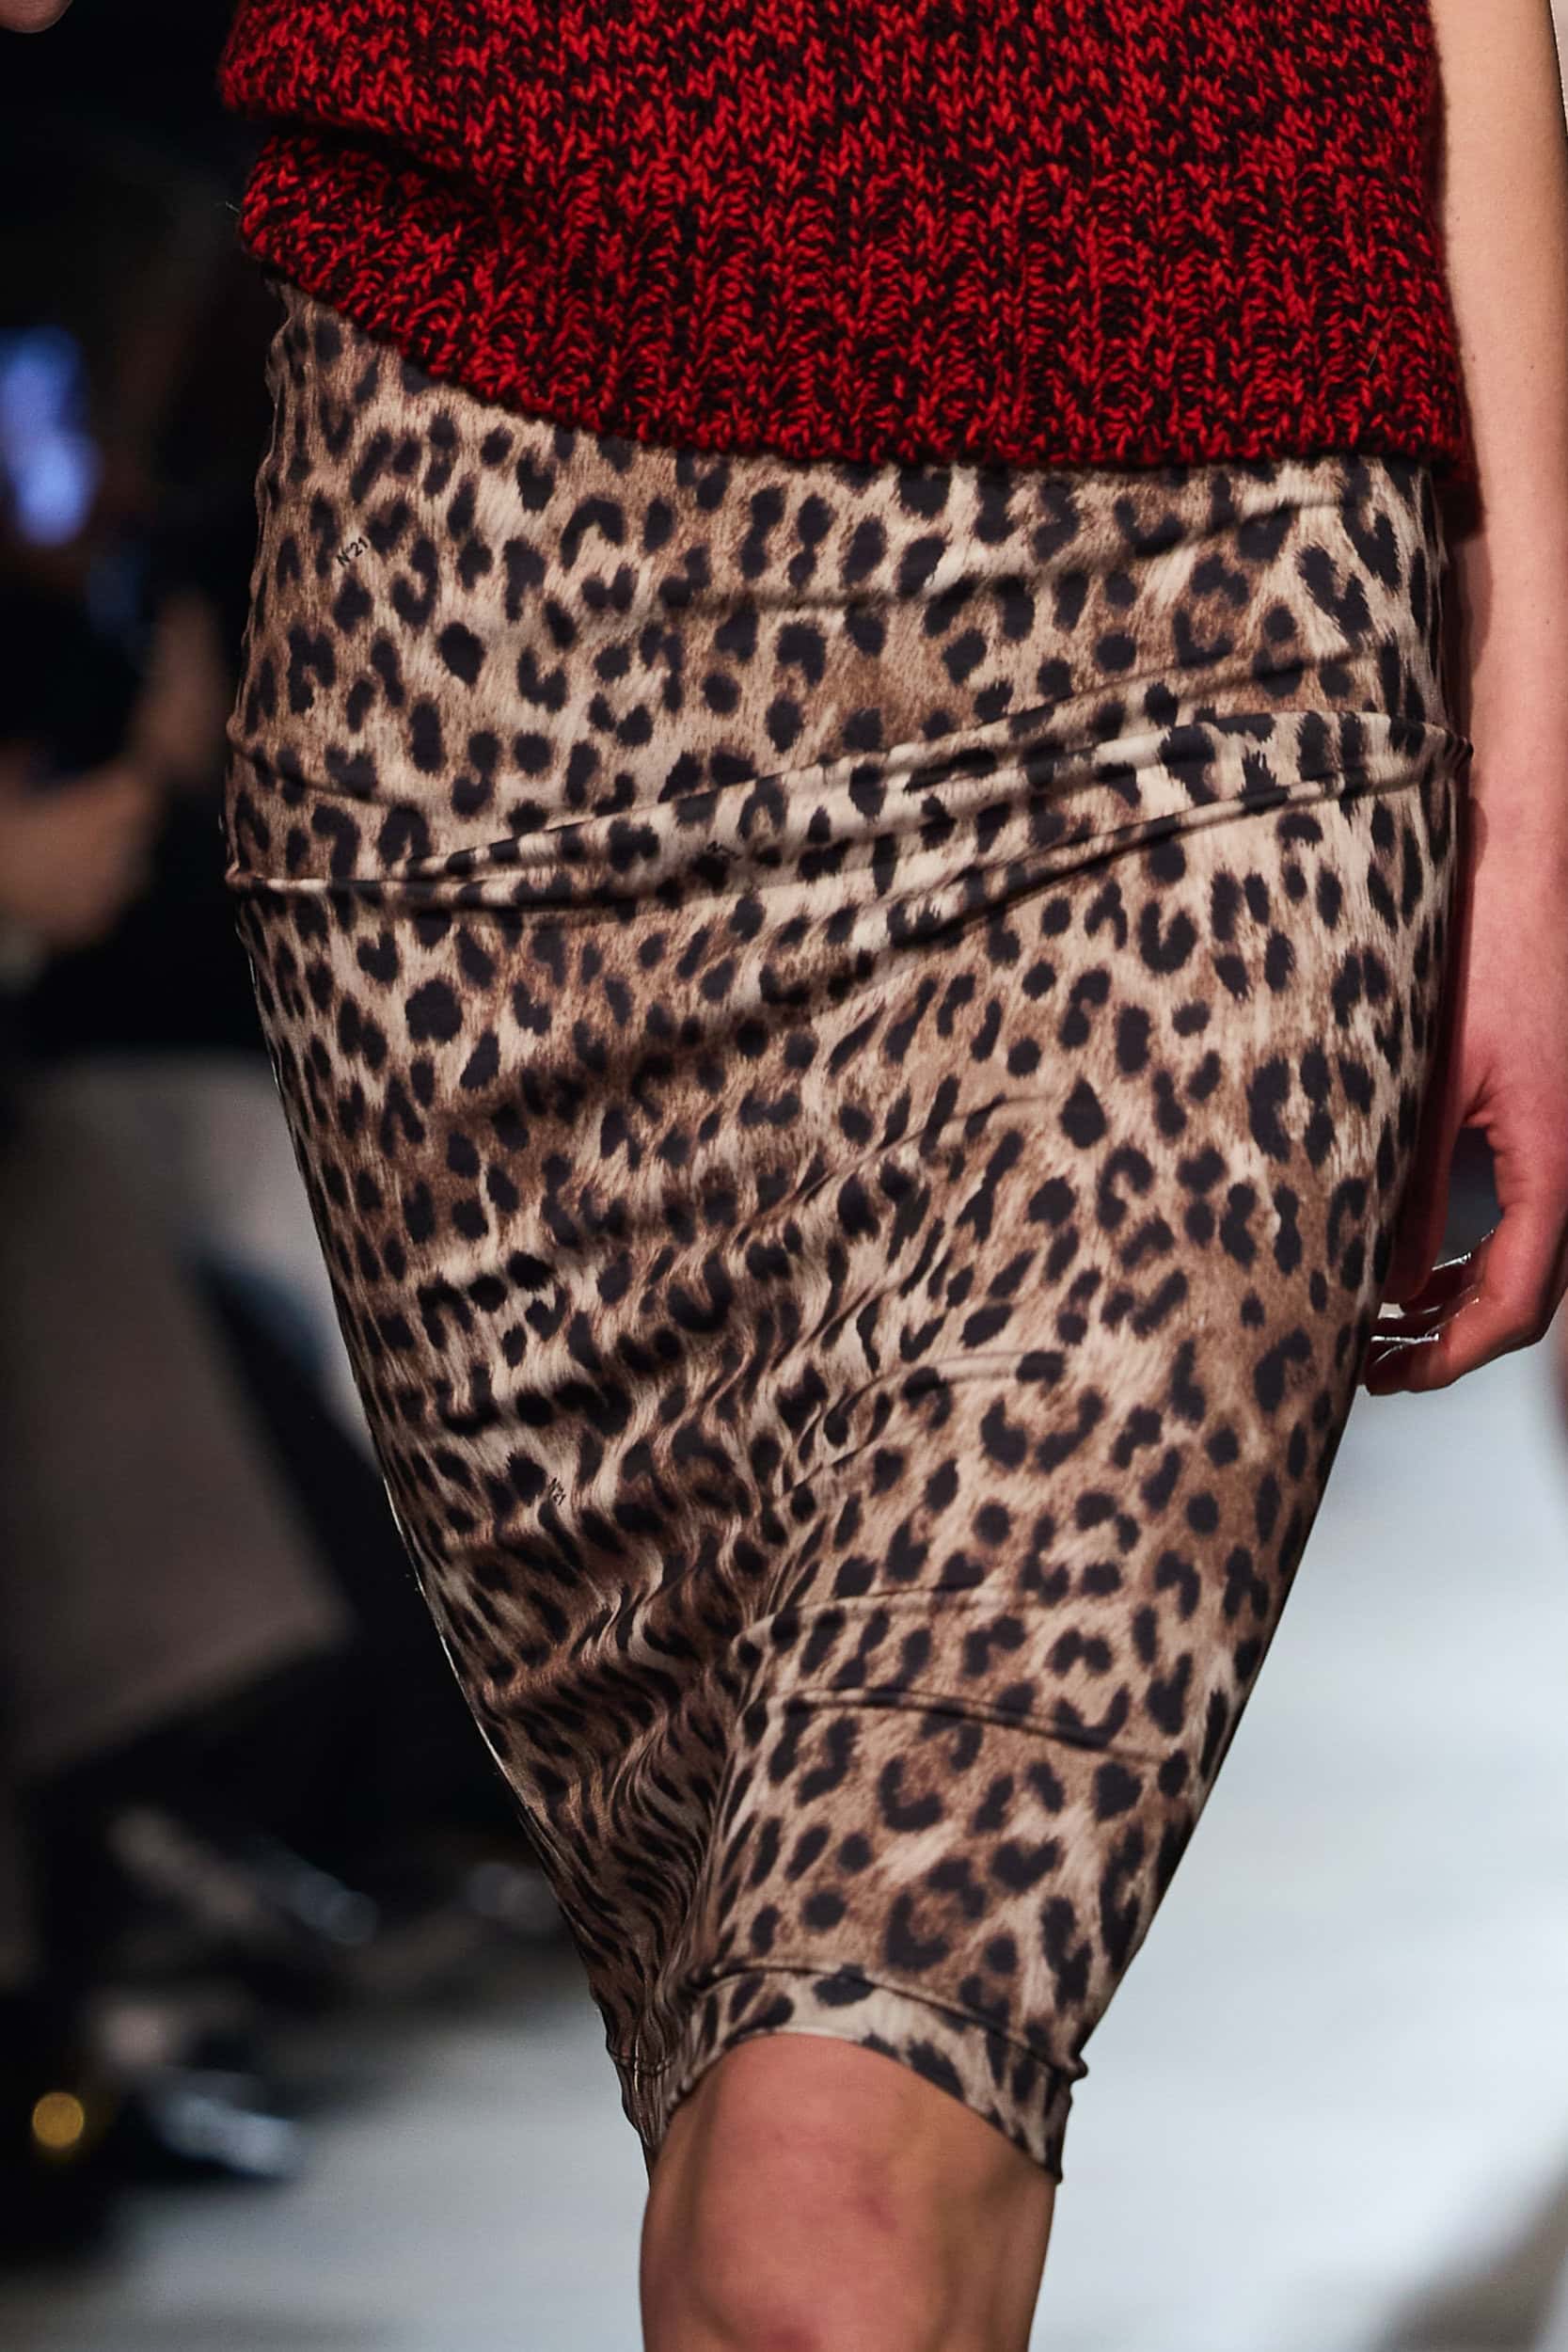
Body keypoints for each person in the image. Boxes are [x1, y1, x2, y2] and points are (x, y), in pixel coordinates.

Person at [10, 4, 1568, 2347]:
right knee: (750, 2190)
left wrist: (1536, 777)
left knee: (825, 2219)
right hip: (494, 654)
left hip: (1202, 621)